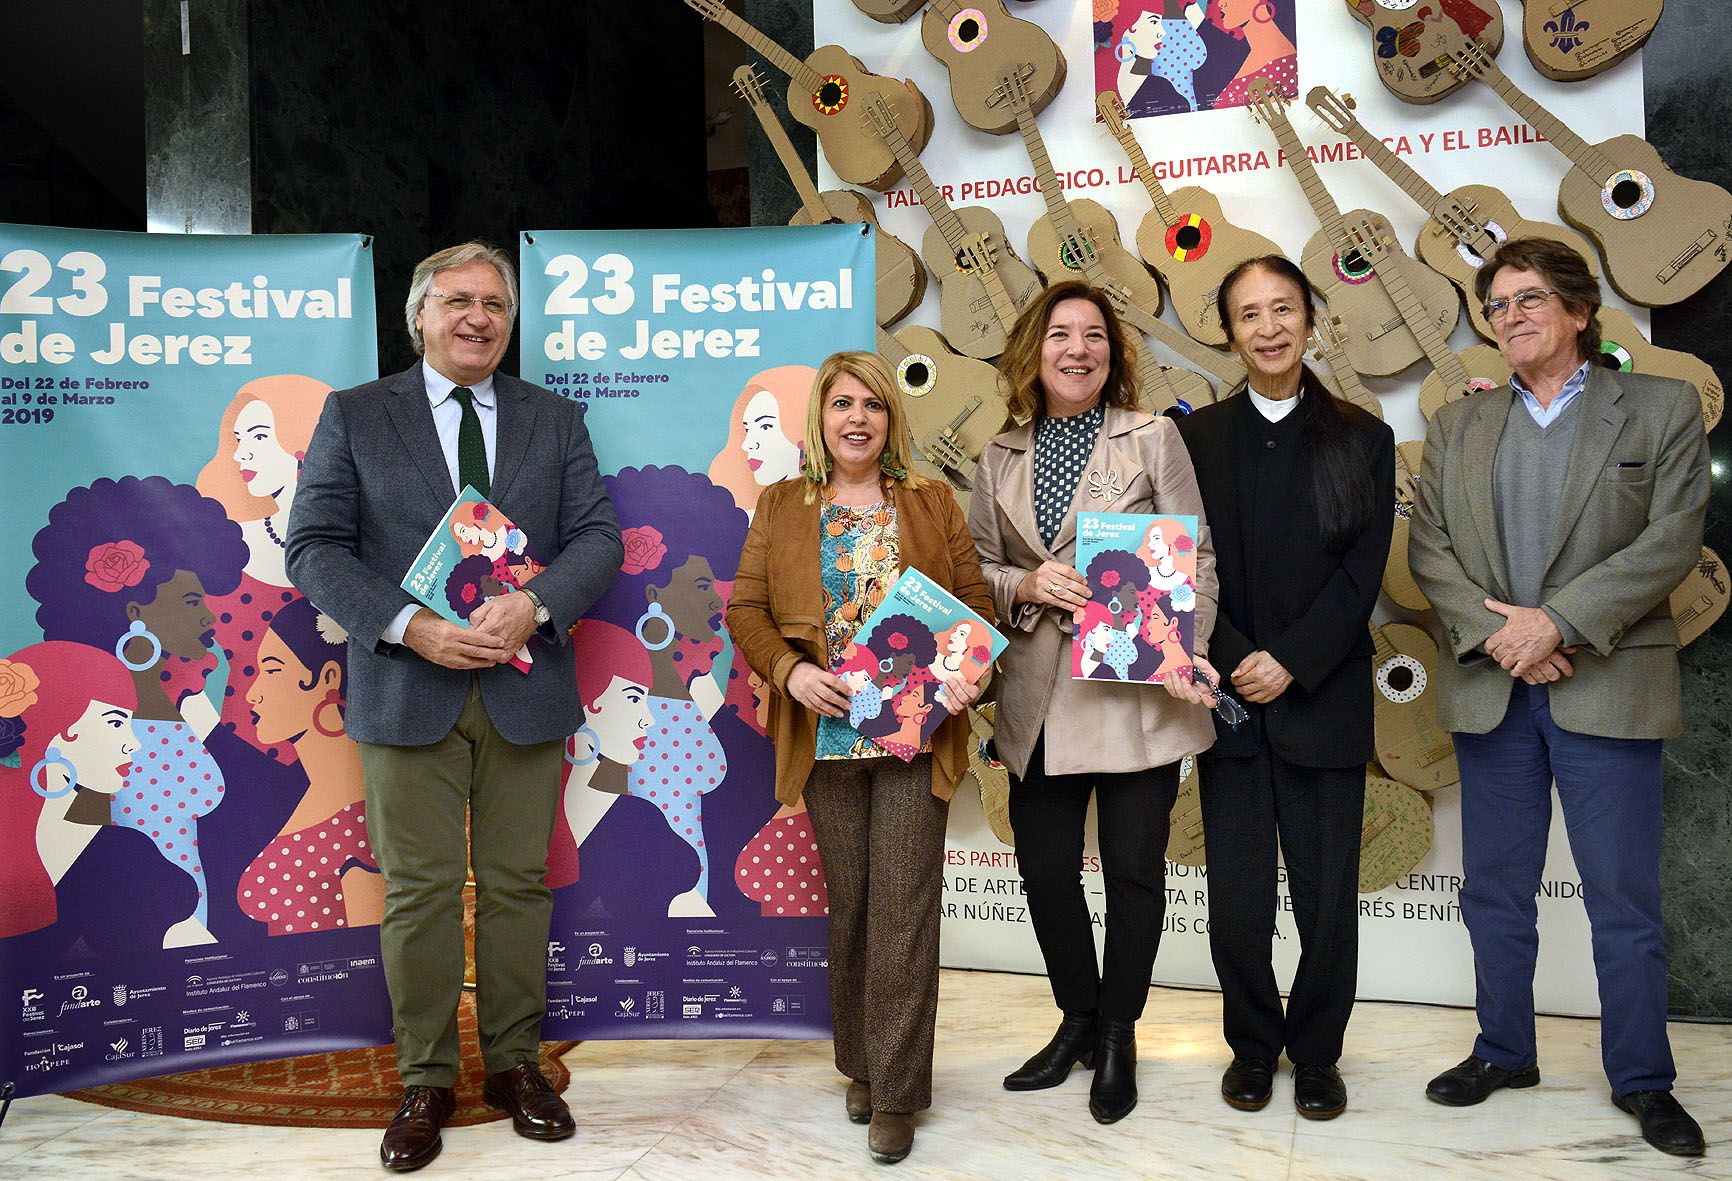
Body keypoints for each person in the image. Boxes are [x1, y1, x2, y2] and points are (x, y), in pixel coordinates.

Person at [286, 241, 622, 1172]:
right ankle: (425, 1076)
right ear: (420, 315)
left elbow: (598, 534)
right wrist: (406, 626)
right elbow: (312, 546)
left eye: (495, 305)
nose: (478, 318)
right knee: (422, 893)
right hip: (406, 689)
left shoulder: (554, 418)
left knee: (519, 886)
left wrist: (538, 603)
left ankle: (516, 1064)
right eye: (458, 301)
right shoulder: (355, 415)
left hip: (527, 691)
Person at [1407, 238, 1710, 1158]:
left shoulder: (1658, 409)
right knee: (1495, 889)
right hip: (1493, 686)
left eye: (1530, 297)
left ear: (1579, 310)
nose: (1511, 316)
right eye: (1496, 305)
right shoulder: (1459, 426)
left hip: (1608, 683)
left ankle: (1643, 1079)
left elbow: (1671, 539)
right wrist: (1508, 634)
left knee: (1622, 894)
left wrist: (1559, 623)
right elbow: (1429, 549)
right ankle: (1504, 1050)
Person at [727, 350, 993, 1165]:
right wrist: (790, 669)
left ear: (891, 420)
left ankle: (899, 1092)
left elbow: (977, 608)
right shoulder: (780, 504)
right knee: (853, 906)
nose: (858, 418)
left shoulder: (929, 500)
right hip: (828, 740)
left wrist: (961, 679)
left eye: (873, 406)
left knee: (904, 906)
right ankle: (859, 1062)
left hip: (917, 739)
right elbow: (745, 606)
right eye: (842, 404)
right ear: (822, 418)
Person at [968, 280, 1218, 1125]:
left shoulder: (1154, 438)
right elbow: (974, 572)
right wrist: (1025, 582)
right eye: (1061, 334)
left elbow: (1199, 557)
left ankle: (1119, 1031)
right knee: (1044, 871)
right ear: (1032, 350)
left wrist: (1189, 648)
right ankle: (1076, 1016)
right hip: (1037, 698)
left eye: (1095, 336)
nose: (1078, 349)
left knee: (1137, 873)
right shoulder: (997, 453)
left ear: (1114, 353)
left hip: (1134, 690)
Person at [1173, 255, 1395, 1119]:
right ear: (1228, 331)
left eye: (1284, 309)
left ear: (1311, 318)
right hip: (1226, 702)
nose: (1269, 327)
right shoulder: (1193, 440)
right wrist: (1233, 656)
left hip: (1323, 700)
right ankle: (1253, 1047)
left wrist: (1293, 660)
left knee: (1327, 896)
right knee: (1236, 899)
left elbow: (1361, 574)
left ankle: (1319, 1052)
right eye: (1249, 314)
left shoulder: (1361, 437)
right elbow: (1183, 566)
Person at [238, 597, 384, 935]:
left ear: (328, 678)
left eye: (272, 670)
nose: (252, 694)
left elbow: (368, 946)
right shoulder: (297, 792)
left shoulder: (360, 814)